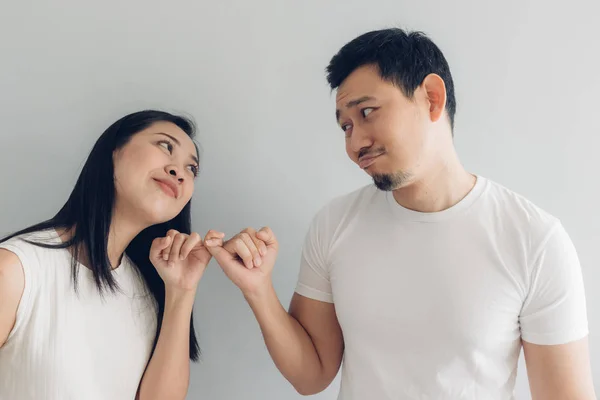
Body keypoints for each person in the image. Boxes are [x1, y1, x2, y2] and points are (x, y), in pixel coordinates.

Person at [205, 28, 596, 399]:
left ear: (431, 96)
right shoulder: (335, 224)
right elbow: (313, 375)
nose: (355, 142)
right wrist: (258, 289)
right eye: (345, 126)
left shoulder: (534, 240)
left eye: (368, 112)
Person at [0, 110, 223, 400]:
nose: (179, 172)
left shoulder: (145, 294)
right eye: (165, 146)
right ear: (114, 151)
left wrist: (181, 292)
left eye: (191, 169)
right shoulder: (17, 270)